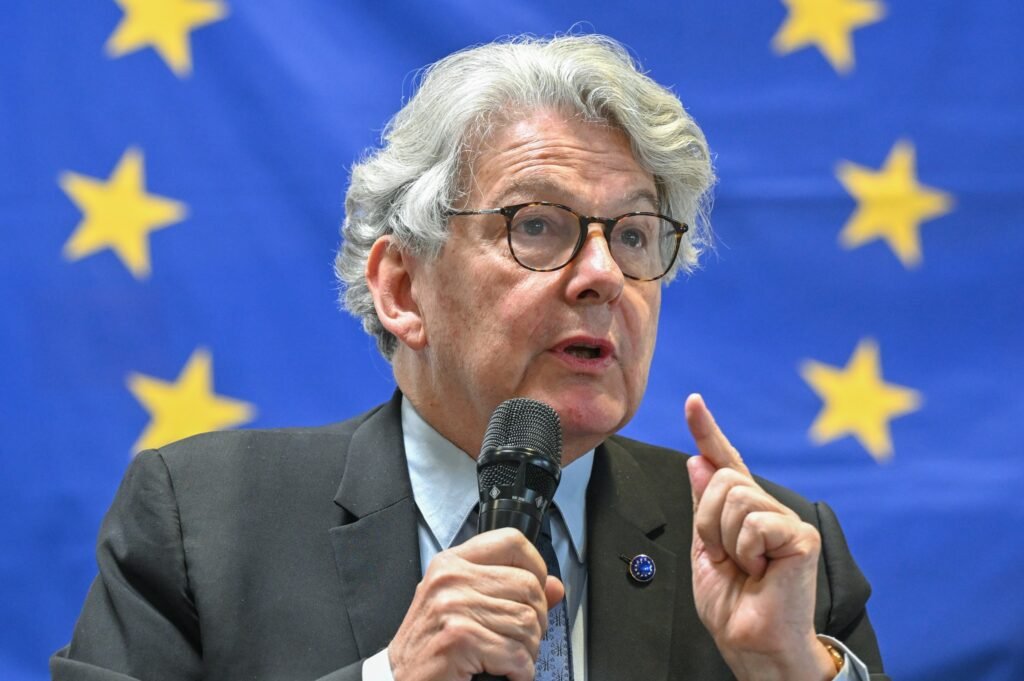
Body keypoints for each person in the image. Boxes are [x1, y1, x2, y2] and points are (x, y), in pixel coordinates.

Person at [52, 34, 888, 681]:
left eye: (634, 234)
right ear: (402, 288)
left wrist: (790, 669)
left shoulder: (775, 557)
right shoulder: (200, 523)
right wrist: (391, 676)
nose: (603, 274)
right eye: (538, 225)